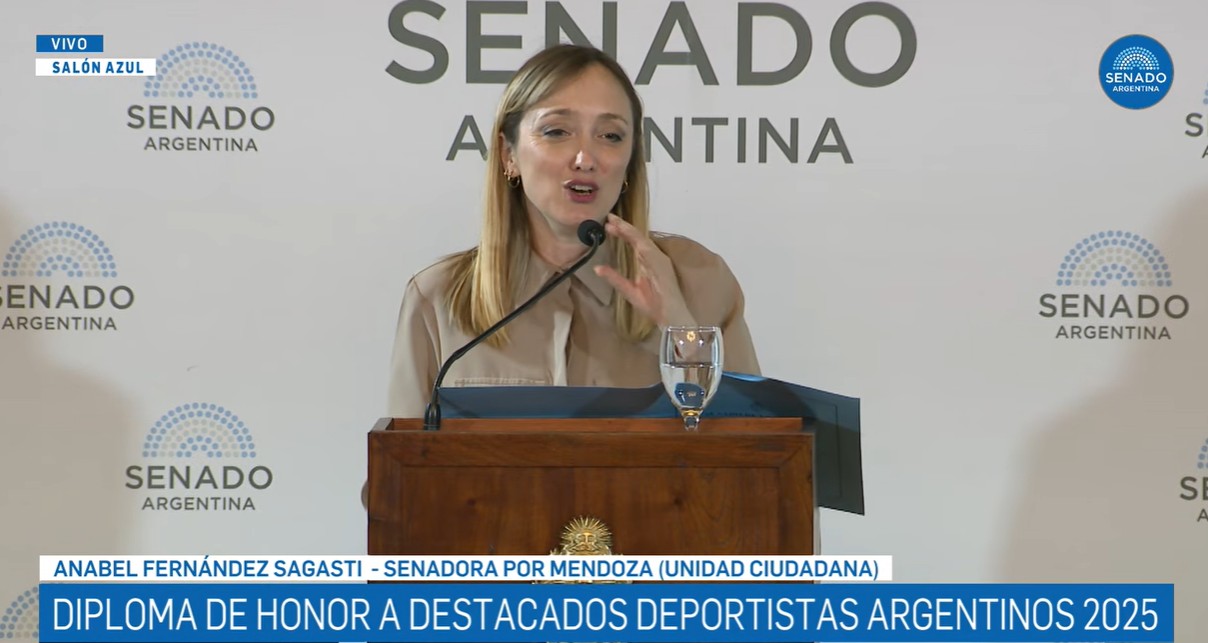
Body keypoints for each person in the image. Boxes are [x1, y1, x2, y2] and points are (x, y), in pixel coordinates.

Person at [387, 44, 760, 418]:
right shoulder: (437, 298)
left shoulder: (699, 280)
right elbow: (400, 468)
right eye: (556, 131)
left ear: (630, 162)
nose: (585, 158)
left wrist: (682, 333)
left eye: (610, 136)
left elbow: (758, 455)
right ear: (508, 155)